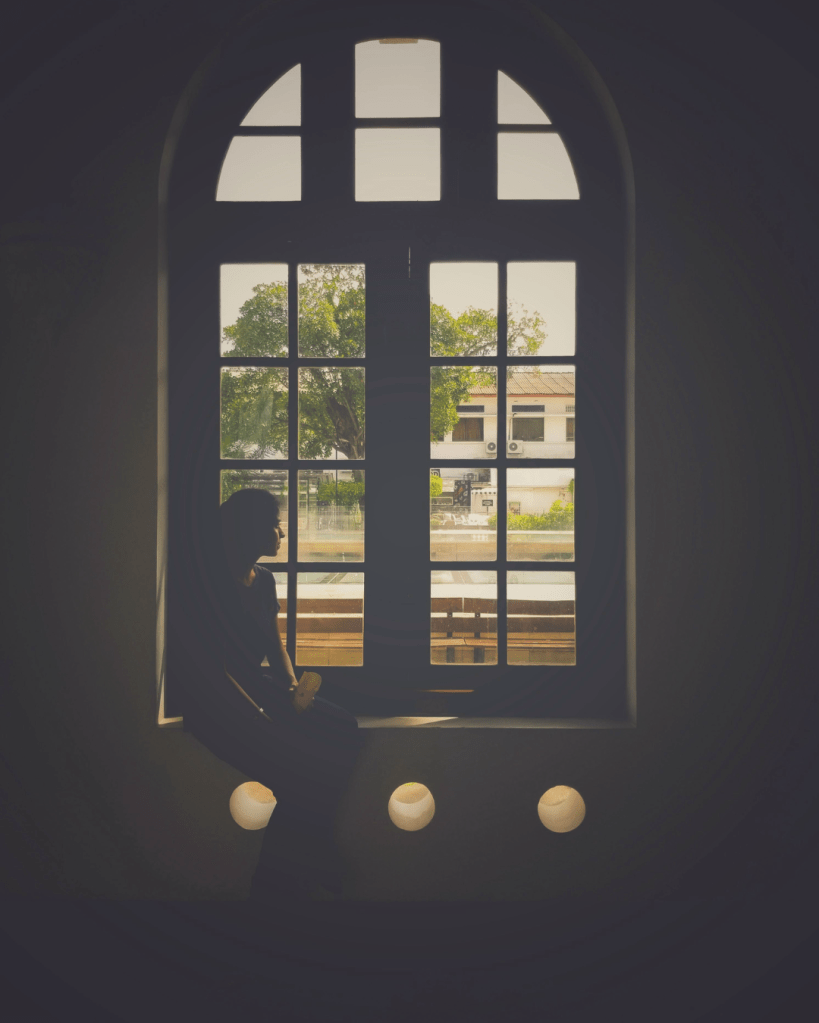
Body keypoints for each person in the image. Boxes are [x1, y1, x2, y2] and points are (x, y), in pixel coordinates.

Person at [182, 487, 363, 901]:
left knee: (345, 727)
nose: (280, 531)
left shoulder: (263, 580)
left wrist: (292, 688)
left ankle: (310, 852)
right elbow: (215, 671)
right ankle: (274, 882)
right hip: (218, 704)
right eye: (273, 523)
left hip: (257, 689)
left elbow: (274, 645)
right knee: (296, 772)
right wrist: (262, 718)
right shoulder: (209, 585)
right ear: (246, 531)